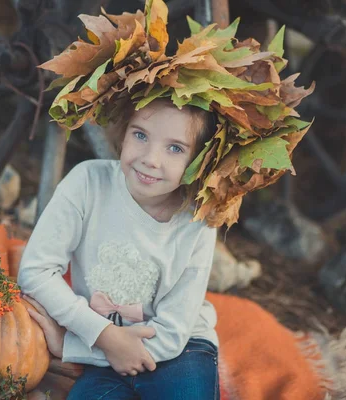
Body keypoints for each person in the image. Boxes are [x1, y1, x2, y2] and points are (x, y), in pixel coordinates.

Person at [18, 0, 313, 398]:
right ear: (123, 130)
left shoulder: (197, 218)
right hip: (102, 340)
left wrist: (76, 345)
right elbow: (35, 271)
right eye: (141, 135)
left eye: (175, 148)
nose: (150, 159)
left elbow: (173, 332)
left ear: (201, 160)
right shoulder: (87, 183)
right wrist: (104, 335)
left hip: (179, 349)